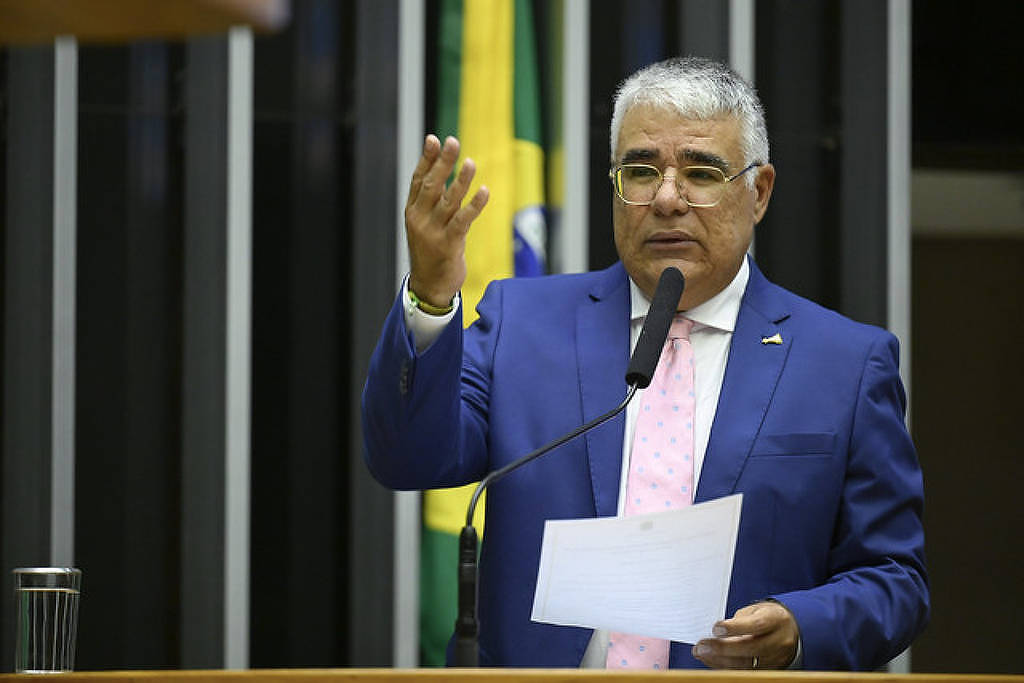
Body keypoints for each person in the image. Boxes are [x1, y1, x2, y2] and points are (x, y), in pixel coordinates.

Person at [362, 57, 928, 670]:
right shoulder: (521, 325)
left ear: (759, 192)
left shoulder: (845, 364)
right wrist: (431, 294)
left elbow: (894, 578)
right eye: (639, 171)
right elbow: (406, 456)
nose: (665, 198)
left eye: (702, 173)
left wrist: (799, 627)